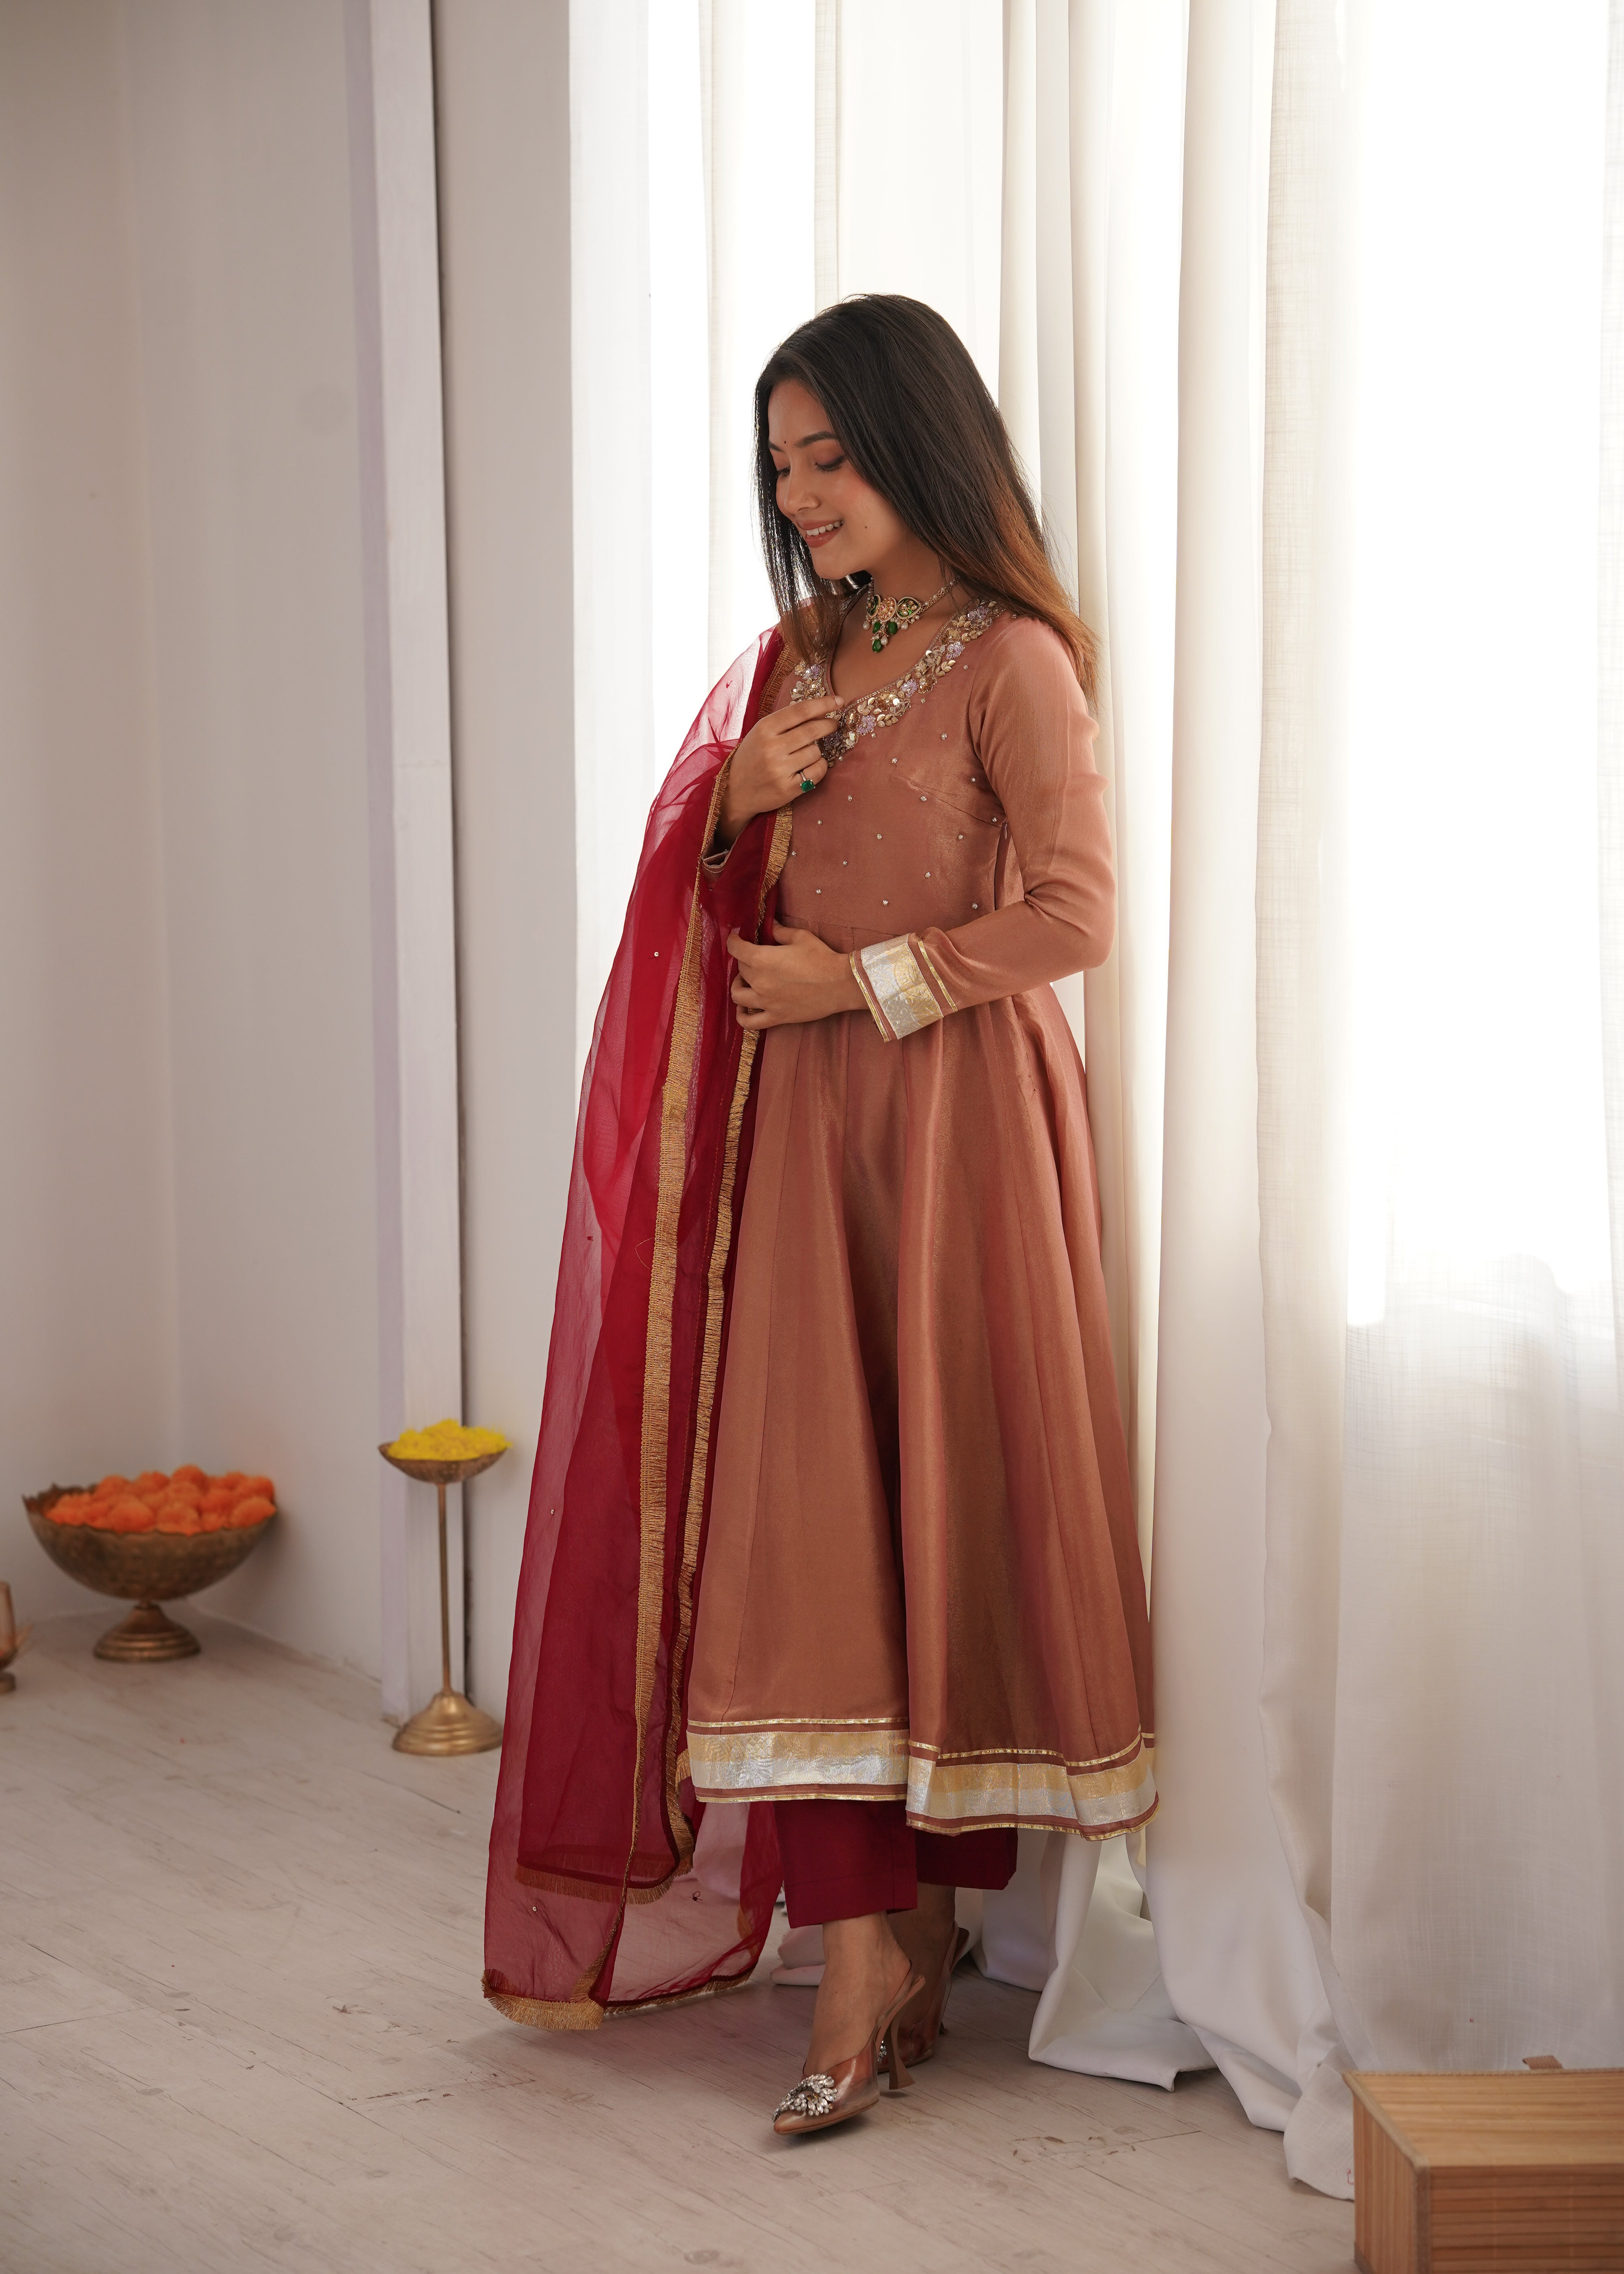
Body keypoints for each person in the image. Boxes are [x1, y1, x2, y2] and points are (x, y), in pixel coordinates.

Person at [483, 295, 1154, 2140]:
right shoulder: (791, 658)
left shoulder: (1017, 660)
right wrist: (726, 810)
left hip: (958, 1140)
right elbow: (705, 911)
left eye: (828, 454)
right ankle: (855, 1942)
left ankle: (923, 1932)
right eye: (780, 465)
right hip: (801, 1149)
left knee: (942, 1503)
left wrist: (866, 982)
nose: (800, 491)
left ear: (913, 442)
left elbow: (1079, 916)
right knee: (814, 1526)